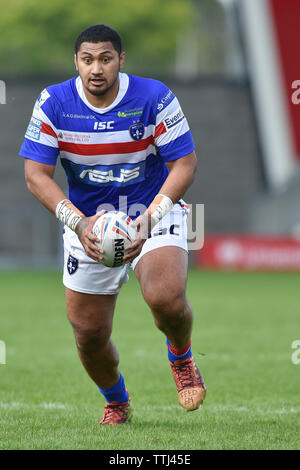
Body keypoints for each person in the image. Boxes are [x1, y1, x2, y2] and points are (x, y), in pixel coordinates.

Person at [19, 24, 206, 425]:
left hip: (152, 208)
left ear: (120, 60)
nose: (96, 68)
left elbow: (185, 165)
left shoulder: (154, 97)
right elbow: (36, 175)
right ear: (77, 62)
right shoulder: (53, 103)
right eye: (87, 60)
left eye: (105, 58)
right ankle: (117, 401)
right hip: (88, 222)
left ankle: (182, 356)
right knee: (88, 335)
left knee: (166, 298)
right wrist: (79, 224)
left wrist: (149, 219)